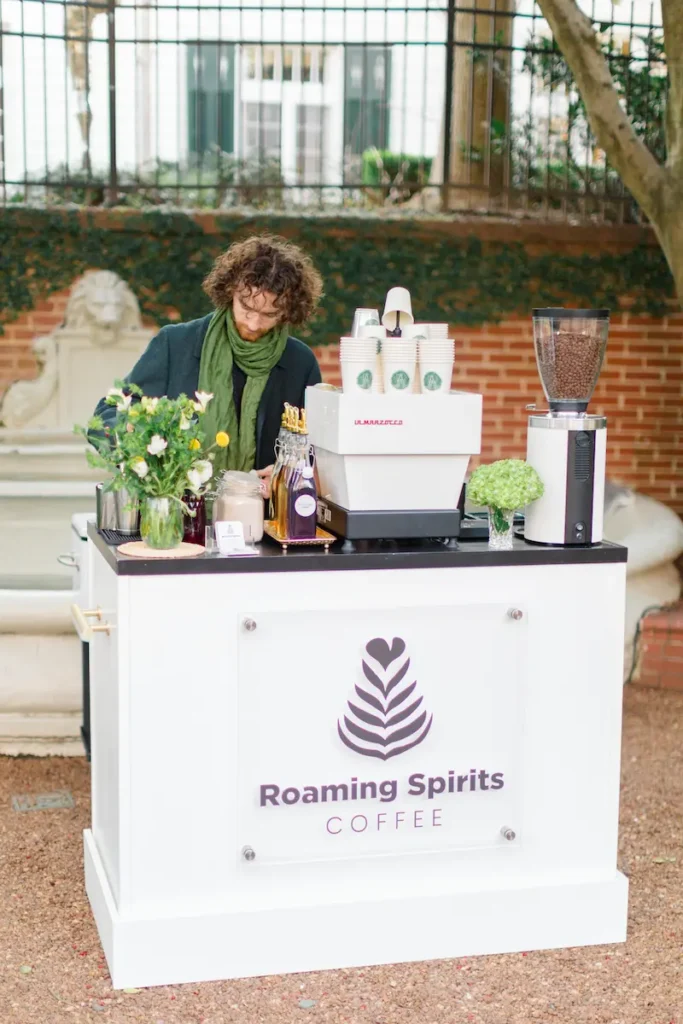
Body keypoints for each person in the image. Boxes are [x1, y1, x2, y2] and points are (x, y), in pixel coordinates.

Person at [92, 235, 323, 495]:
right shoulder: (176, 344)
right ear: (229, 291)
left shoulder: (300, 363)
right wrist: (141, 451)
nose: (253, 323)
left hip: (264, 520)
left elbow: (318, 451)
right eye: (246, 307)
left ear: (288, 311)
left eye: (269, 315)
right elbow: (108, 414)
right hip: (179, 514)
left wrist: (287, 475)